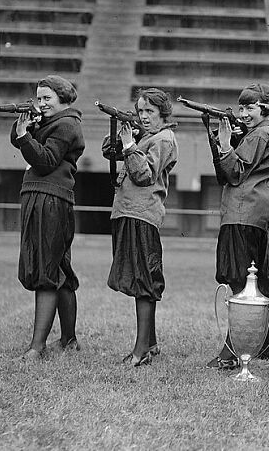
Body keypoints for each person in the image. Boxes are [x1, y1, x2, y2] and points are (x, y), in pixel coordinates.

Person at [205, 83, 269, 370]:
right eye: (242, 107)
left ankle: (233, 351)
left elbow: (234, 173)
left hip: (242, 211)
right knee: (261, 280)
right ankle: (266, 343)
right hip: (256, 211)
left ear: (267, 108)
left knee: (240, 283)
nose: (244, 113)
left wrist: (225, 145)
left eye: (250, 107)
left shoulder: (261, 134)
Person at [10, 75, 85, 360]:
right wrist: (24, 127)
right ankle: (68, 339)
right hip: (42, 197)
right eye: (38, 98)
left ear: (63, 99)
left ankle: (37, 347)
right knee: (60, 271)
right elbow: (19, 140)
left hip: (50, 199)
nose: (41, 103)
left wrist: (25, 135)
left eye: (47, 99)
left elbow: (45, 161)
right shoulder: (50, 122)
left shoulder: (66, 124)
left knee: (46, 271)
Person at [102, 88, 178, 367]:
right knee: (137, 278)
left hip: (142, 215)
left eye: (149, 112)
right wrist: (123, 136)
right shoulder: (144, 136)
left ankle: (140, 351)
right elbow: (108, 152)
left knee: (143, 282)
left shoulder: (164, 138)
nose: (143, 116)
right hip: (128, 212)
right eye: (140, 111)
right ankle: (151, 344)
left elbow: (144, 175)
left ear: (162, 113)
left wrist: (129, 146)